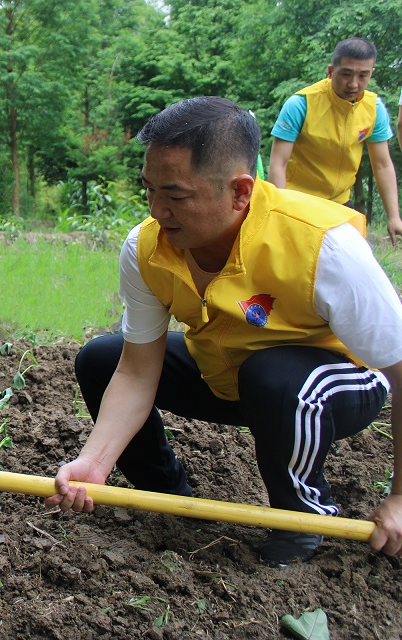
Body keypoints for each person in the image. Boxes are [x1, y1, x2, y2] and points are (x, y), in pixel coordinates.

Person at [45, 97, 402, 567]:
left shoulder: (324, 245)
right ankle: (169, 499)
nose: (156, 210)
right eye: (149, 190)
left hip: (339, 381)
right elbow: (136, 372)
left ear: (240, 191)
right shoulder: (147, 247)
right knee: (102, 359)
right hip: (232, 372)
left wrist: (400, 499)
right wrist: (96, 460)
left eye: (175, 196)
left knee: (273, 374)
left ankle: (301, 517)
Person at [267, 37, 402, 244]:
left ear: (371, 74)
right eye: (346, 74)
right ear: (331, 71)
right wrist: (280, 212)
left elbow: (382, 164)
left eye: (363, 76)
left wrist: (394, 216)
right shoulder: (300, 104)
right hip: (298, 203)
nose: (353, 84)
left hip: (340, 205)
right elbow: (278, 163)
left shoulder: (374, 108)